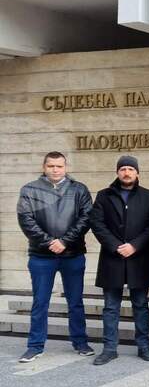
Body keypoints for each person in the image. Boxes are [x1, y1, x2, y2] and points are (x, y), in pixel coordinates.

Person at [16, 151, 94, 362]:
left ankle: (80, 342)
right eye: (51, 166)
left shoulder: (79, 189)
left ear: (65, 167)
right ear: (44, 167)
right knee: (40, 302)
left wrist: (65, 241)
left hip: (73, 254)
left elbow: (86, 218)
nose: (55, 169)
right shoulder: (30, 190)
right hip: (41, 255)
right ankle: (35, 346)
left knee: (75, 301)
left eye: (59, 166)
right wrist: (49, 242)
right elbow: (25, 219)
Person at [88, 156, 149, 365]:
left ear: (137, 172)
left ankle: (144, 346)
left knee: (141, 304)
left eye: (130, 169)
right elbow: (97, 223)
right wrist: (115, 246)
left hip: (139, 258)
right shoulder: (104, 196)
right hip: (112, 257)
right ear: (117, 172)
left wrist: (135, 245)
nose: (126, 172)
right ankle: (109, 348)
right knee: (111, 306)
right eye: (123, 169)